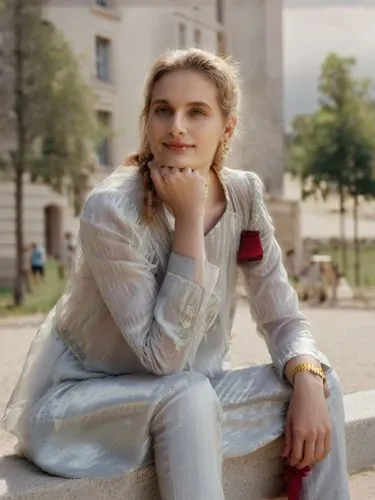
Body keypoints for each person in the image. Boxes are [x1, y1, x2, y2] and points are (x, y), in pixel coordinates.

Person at [1, 49, 349, 499]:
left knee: (323, 383)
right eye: (163, 110)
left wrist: (304, 372)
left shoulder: (244, 196)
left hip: (192, 406)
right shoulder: (112, 210)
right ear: (148, 120)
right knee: (186, 393)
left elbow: (283, 318)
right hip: (82, 410)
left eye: (196, 112)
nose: (177, 126)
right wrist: (189, 222)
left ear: (227, 128)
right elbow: (163, 359)